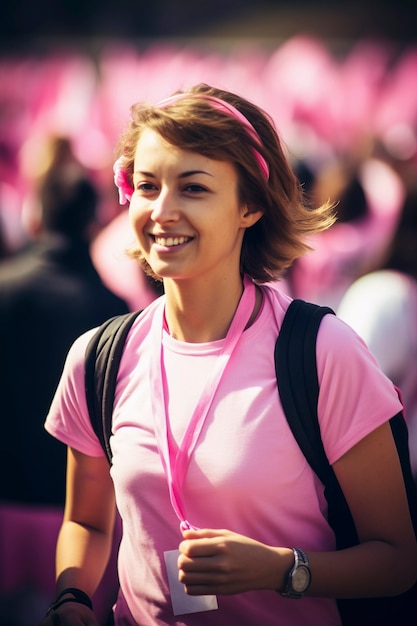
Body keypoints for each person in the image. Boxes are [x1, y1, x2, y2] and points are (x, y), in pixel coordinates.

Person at [41, 84, 417, 626]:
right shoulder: (98, 357)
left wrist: (282, 570)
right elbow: (88, 524)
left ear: (250, 206)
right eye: (147, 186)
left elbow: (398, 560)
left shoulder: (322, 352)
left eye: (192, 188)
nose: (162, 211)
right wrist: (72, 596)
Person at [0, 141, 129, 625]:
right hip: (83, 522)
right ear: (94, 224)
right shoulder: (117, 315)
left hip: (8, 508)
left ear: (36, 218)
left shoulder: (4, 288)